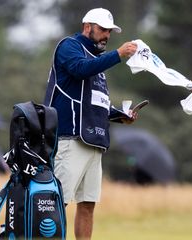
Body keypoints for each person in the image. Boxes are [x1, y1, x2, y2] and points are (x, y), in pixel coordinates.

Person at [43, 8, 138, 240]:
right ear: (87, 27)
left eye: (109, 31)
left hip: (93, 141)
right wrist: (118, 54)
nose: (106, 35)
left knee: (87, 205)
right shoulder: (70, 46)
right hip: (70, 138)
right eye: (103, 29)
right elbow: (79, 69)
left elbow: (98, 103)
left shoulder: (97, 60)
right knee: (56, 203)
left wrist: (119, 115)